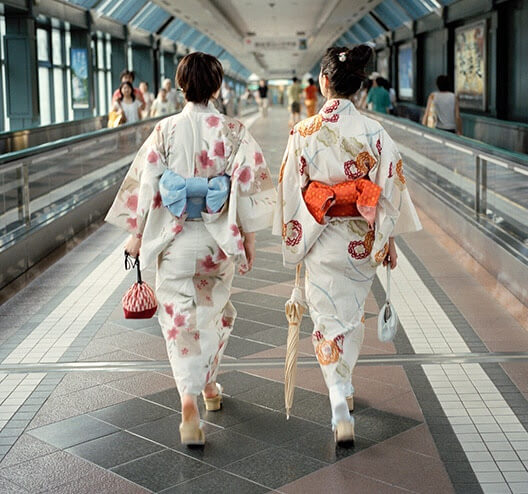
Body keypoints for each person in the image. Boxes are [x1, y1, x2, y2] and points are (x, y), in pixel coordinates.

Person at [105, 52, 276, 447]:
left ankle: (188, 399)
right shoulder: (234, 131)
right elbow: (250, 187)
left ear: (181, 86)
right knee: (215, 314)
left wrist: (137, 233)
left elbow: (147, 185)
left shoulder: (164, 130)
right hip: (217, 244)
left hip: (174, 240)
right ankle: (210, 384)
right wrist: (248, 240)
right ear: (217, 87)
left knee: (179, 321)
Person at [273, 45, 421, 445]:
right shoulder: (376, 133)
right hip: (362, 240)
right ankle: (346, 384)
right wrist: (387, 238)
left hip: (320, 238)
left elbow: (290, 191)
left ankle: (339, 405)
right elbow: (391, 189)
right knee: (352, 319)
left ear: (324, 83)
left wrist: (296, 235)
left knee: (326, 324)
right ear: (359, 88)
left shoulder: (302, 133)